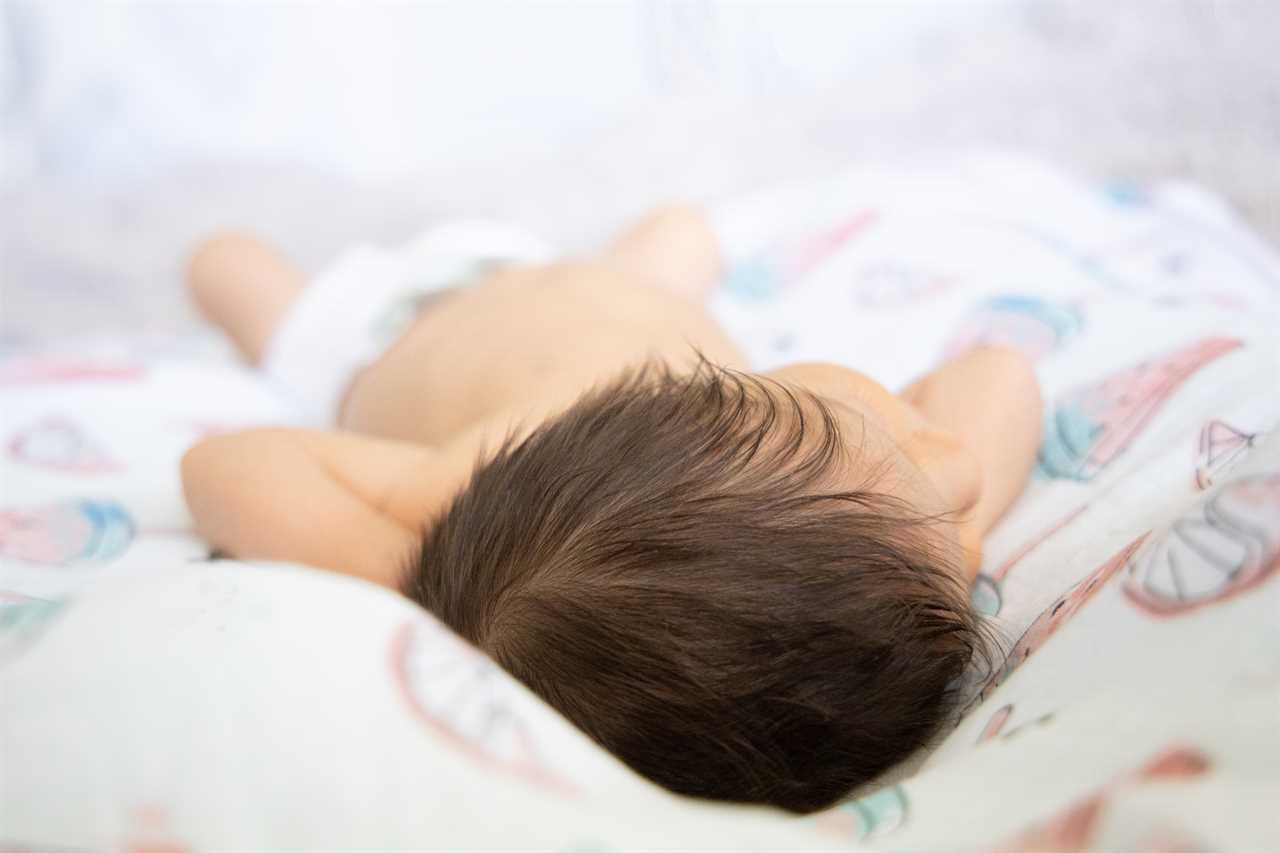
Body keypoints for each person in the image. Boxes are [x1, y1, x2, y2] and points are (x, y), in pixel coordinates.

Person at [181, 205, 1042, 812]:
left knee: (236, 271)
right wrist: (944, 528)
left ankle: (230, 273)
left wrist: (424, 571)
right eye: (902, 438)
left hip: (390, 324)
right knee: (684, 231)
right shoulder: (872, 515)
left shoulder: (478, 475)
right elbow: (1000, 376)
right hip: (619, 291)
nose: (957, 462)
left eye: (933, 486)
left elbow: (223, 464)